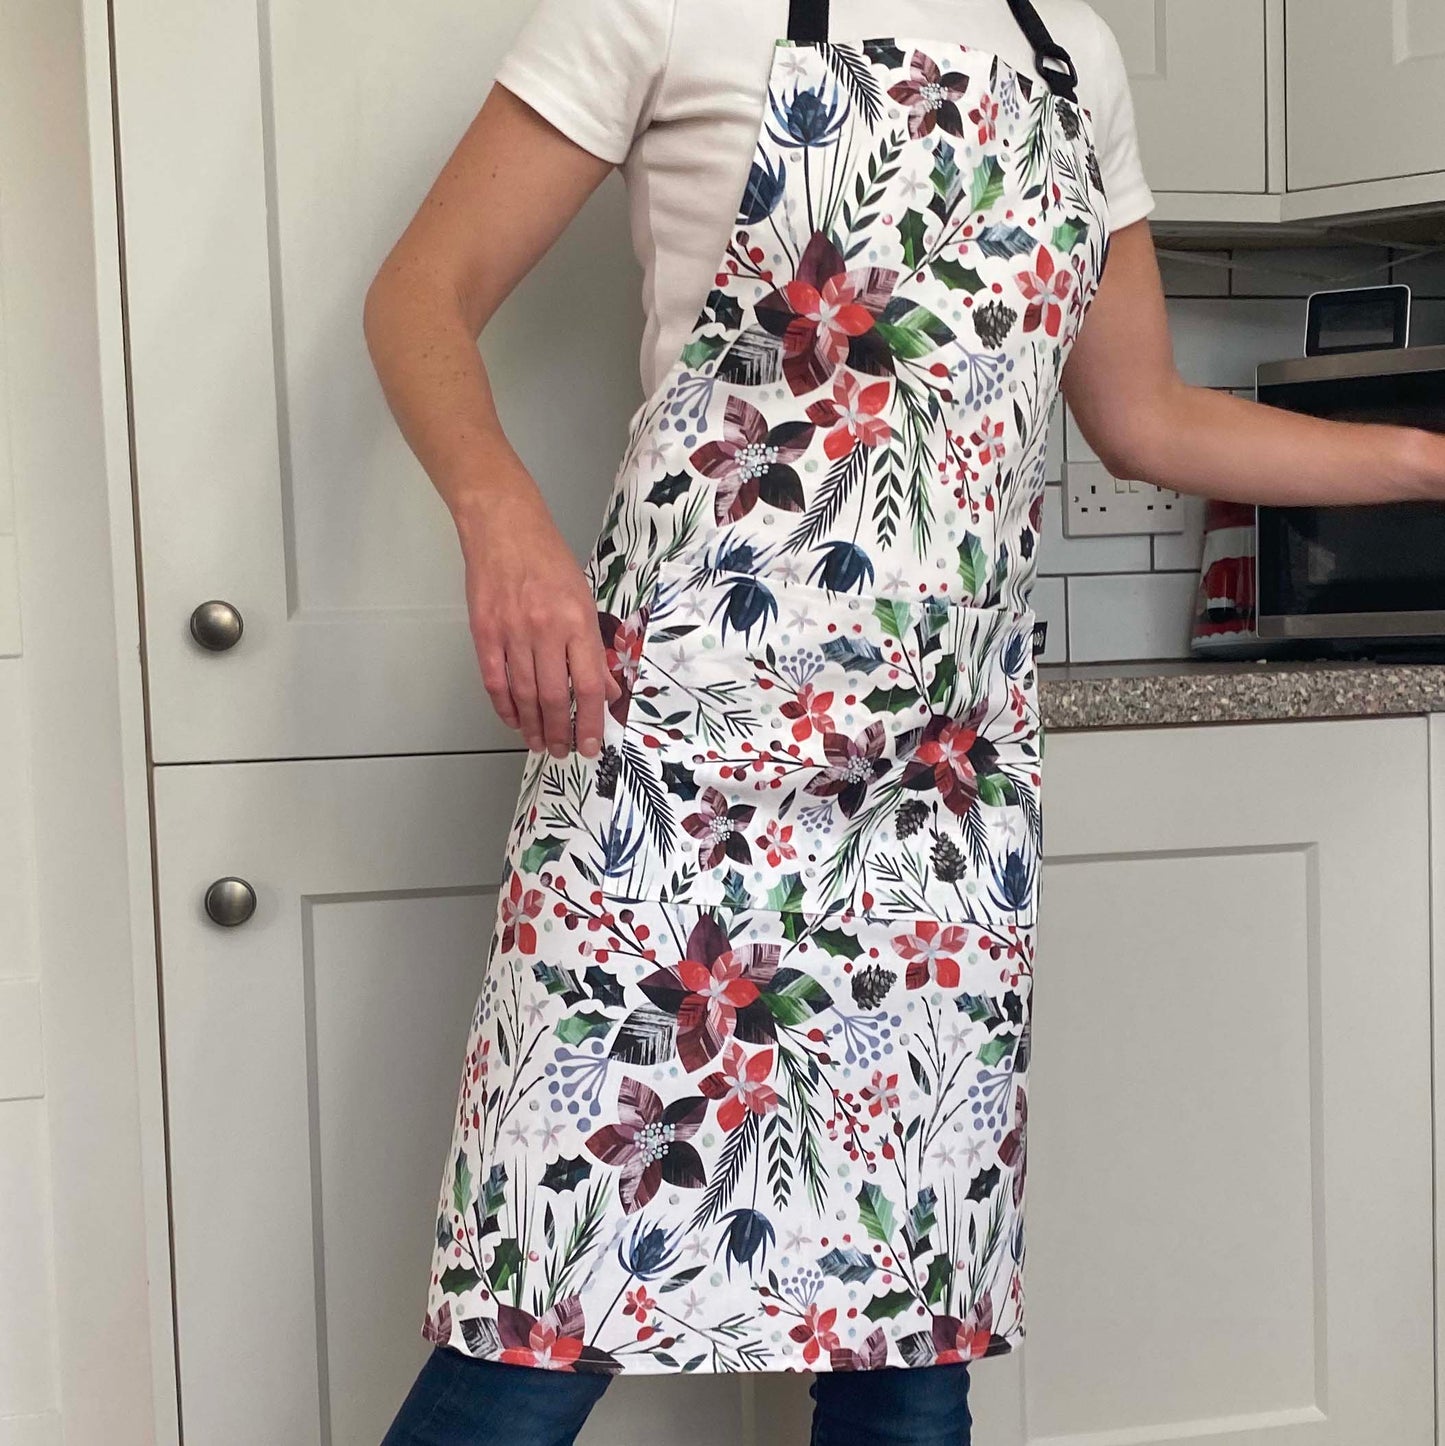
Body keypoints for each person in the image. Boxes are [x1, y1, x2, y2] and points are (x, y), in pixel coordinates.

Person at [363, 0, 1445, 1441]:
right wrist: (501, 519)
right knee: (533, 1323)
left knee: (904, 1350)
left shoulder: (1068, 51)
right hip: (671, 770)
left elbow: (1144, 417)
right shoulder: (661, 6)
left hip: (935, 806)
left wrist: (1428, 460)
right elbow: (418, 293)